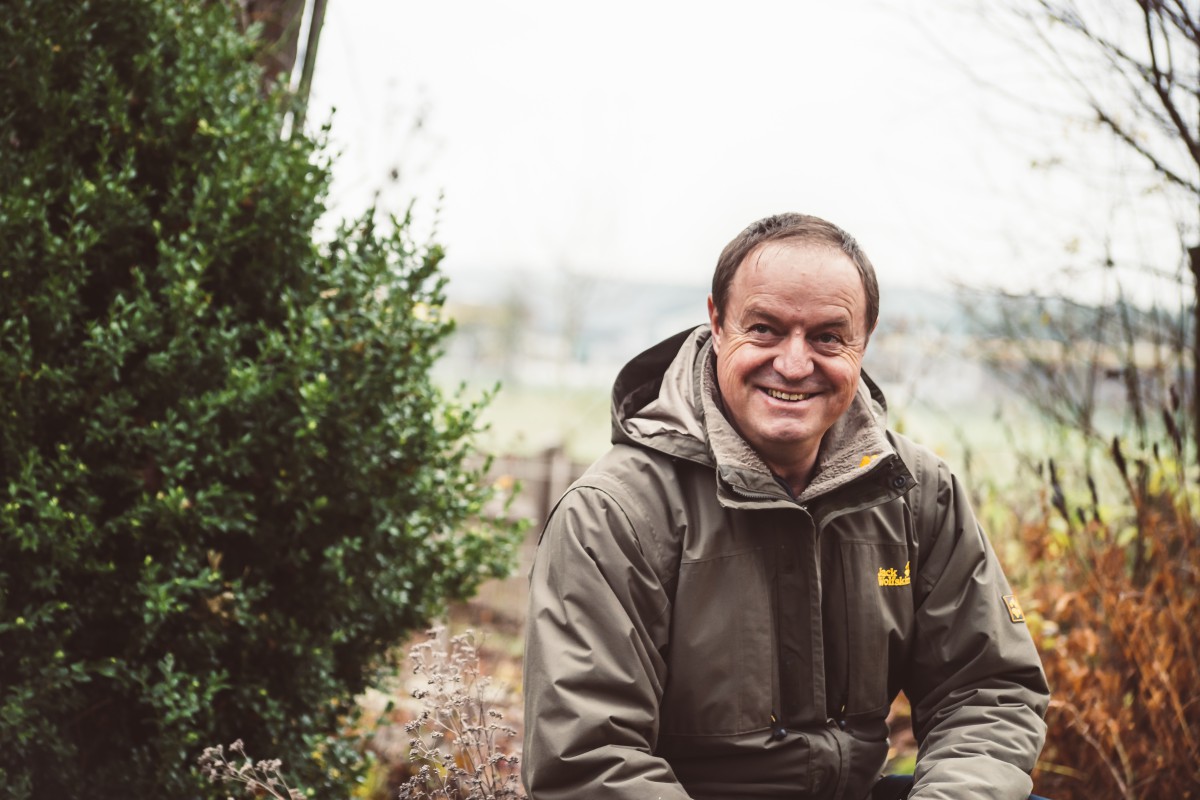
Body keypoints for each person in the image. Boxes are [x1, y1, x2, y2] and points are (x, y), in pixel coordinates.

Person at [521, 213, 1050, 800]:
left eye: (827, 336)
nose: (795, 364)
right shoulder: (613, 516)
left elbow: (986, 689)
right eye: (765, 329)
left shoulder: (918, 493)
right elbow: (591, 758)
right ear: (718, 323)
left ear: (865, 340)